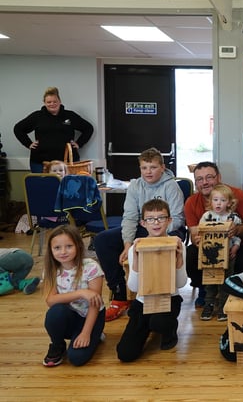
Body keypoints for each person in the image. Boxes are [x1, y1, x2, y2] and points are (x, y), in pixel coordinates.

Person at [94, 147, 185, 321]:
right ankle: (120, 294)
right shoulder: (135, 185)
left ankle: (160, 290)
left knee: (167, 238)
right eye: (144, 168)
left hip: (168, 227)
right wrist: (128, 246)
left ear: (162, 167)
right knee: (102, 240)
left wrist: (157, 229)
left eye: (152, 167)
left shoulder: (171, 186)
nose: (148, 172)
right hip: (142, 226)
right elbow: (129, 217)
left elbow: (178, 218)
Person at [116, 199, 187, 362]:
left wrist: (178, 258)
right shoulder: (136, 247)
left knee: (158, 321)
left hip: (169, 299)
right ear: (143, 223)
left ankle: (168, 331)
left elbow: (181, 283)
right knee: (125, 354)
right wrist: (135, 257)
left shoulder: (177, 244)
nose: (156, 223)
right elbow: (134, 287)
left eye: (161, 218)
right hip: (143, 301)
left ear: (169, 221)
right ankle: (148, 325)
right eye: (150, 219)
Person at [184, 162, 243, 307]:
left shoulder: (237, 195)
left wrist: (238, 230)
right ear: (196, 182)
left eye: (209, 177)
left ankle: (236, 291)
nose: (204, 182)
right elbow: (194, 233)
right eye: (199, 179)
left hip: (239, 244)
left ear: (219, 177)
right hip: (210, 246)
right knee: (191, 254)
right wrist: (198, 240)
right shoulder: (191, 202)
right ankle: (205, 290)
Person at [42, 225, 105, 367]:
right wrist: (81, 293)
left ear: (78, 246)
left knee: (76, 359)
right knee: (55, 312)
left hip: (91, 316)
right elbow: (51, 300)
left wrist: (86, 333)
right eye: (57, 248)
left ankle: (96, 334)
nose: (63, 252)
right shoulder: (51, 269)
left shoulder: (91, 266)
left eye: (69, 246)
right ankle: (57, 345)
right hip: (69, 316)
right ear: (51, 250)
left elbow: (94, 304)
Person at [14, 86, 94, 173]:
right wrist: (28, 144)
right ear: (44, 103)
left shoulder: (70, 116)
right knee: (42, 186)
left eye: (55, 101)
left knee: (67, 186)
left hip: (67, 162)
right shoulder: (37, 116)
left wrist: (79, 143)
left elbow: (88, 128)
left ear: (60, 101)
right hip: (40, 162)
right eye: (49, 102)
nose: (52, 104)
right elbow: (18, 129)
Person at [198, 184, 243, 322]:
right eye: (215, 200)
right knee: (210, 282)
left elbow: (237, 237)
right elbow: (201, 234)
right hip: (210, 257)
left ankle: (223, 307)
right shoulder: (206, 216)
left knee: (225, 282)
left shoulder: (233, 218)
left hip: (227, 256)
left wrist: (235, 247)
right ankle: (209, 305)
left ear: (229, 203)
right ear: (210, 201)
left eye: (223, 200)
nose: (219, 203)